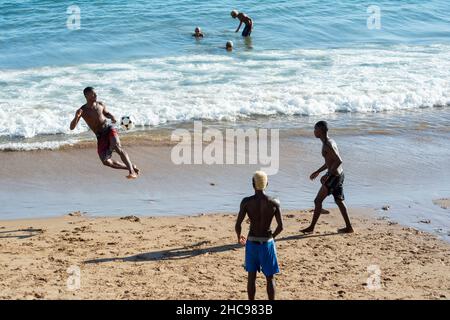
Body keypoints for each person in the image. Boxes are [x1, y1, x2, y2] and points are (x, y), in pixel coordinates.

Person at [70, 87, 139, 179]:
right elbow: (72, 127)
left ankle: (132, 172)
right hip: (100, 136)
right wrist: (76, 117)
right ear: (86, 95)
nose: (96, 95)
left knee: (117, 147)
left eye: (96, 93)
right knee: (106, 161)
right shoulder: (82, 111)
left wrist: (112, 116)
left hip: (108, 129)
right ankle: (131, 167)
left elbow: (106, 113)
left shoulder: (100, 104)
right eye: (93, 94)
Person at [235, 171, 283, 300]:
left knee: (251, 277)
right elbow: (281, 226)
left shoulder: (246, 202)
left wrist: (239, 236)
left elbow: (238, 224)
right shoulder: (274, 202)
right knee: (270, 278)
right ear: (266, 183)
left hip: (251, 243)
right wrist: (273, 236)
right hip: (267, 243)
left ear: (252, 184)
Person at [301, 121, 353, 234]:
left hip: (334, 176)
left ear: (320, 130)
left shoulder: (328, 144)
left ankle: (311, 228)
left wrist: (328, 174)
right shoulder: (329, 141)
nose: (314, 131)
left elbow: (339, 160)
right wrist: (318, 171)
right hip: (339, 174)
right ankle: (349, 227)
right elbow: (331, 161)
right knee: (339, 201)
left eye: (315, 129)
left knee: (317, 200)